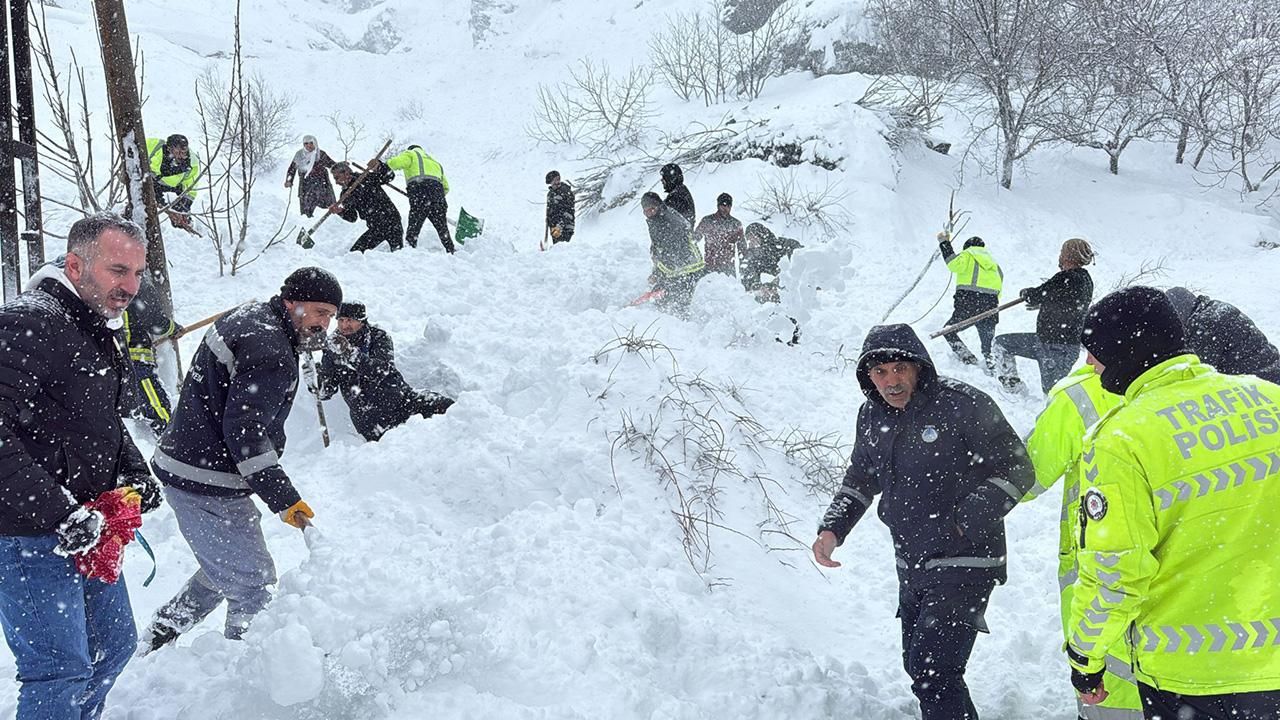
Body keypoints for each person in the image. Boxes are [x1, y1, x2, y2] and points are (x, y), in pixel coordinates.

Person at [1068, 286, 1280, 719]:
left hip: (1193, 672)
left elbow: (1115, 573)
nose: (1089, 363)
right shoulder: (1268, 398)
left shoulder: (1122, 440)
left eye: (1095, 350)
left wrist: (1084, 659)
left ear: (1126, 350)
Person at [813, 323, 1034, 720]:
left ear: (918, 367)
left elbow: (1017, 468)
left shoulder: (963, 405)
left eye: (900, 368)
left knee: (934, 672)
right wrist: (832, 529)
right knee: (921, 667)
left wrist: (964, 521)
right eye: (880, 372)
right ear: (868, 377)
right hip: (911, 560)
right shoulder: (871, 416)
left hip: (967, 559)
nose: (891, 381)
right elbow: (861, 478)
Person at [0, 214, 163, 720]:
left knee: (113, 646)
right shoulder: (30, 321)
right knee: (59, 670)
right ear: (75, 265)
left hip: (87, 526)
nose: (130, 287)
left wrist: (134, 471)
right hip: (27, 534)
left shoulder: (92, 326)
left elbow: (99, 420)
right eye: (118, 270)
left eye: (137, 273)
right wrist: (60, 511)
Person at [143, 267, 342, 651]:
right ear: (291, 303)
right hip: (205, 479)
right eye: (319, 312)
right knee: (252, 584)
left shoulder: (252, 317)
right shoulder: (272, 351)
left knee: (225, 567)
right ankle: (245, 671)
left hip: (193, 464)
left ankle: (161, 632)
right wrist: (284, 498)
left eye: (330, 316)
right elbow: (246, 434)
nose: (324, 324)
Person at [1021, 364, 1139, 719]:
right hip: (1197, 592)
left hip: (1100, 565)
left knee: (1112, 682)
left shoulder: (1079, 397)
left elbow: (1027, 478)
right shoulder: (1208, 390)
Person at [317, 302, 454, 441]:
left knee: (452, 410)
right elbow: (326, 391)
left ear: (362, 321)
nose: (344, 325)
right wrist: (318, 377)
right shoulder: (332, 348)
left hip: (404, 401)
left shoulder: (379, 337)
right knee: (398, 446)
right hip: (371, 419)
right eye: (341, 320)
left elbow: (381, 371)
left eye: (350, 320)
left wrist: (351, 354)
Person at [994, 238, 1095, 394]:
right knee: (1002, 344)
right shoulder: (1085, 280)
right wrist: (1046, 303)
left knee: (1052, 394)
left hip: (1054, 346)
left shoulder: (1066, 277)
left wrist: (1027, 293)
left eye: (1062, 252)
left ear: (1068, 256)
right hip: (1057, 343)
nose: (1059, 256)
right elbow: (1066, 301)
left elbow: (1036, 295)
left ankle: (1014, 389)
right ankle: (1013, 387)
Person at [1164, 287, 1280, 383]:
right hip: (1271, 371)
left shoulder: (1204, 325)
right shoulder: (1215, 310)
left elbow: (1198, 370)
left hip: (1259, 382)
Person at [122, 272, 180, 437]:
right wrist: (173, 328)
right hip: (136, 357)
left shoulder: (104, 279)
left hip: (112, 358)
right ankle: (169, 438)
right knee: (157, 404)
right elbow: (154, 321)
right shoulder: (138, 283)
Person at [938, 234, 1003, 369]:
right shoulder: (995, 264)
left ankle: (968, 358)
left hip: (969, 303)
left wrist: (944, 242)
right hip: (991, 306)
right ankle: (992, 366)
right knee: (988, 345)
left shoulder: (968, 254)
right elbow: (999, 289)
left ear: (967, 247)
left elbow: (953, 264)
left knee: (948, 330)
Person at [641, 192, 704, 315]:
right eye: (646, 211)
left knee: (678, 304)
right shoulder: (657, 219)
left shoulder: (670, 222)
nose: (649, 213)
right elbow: (658, 247)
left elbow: (670, 253)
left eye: (651, 209)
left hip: (689, 269)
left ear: (658, 205)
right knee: (665, 299)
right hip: (677, 268)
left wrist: (658, 274)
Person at [383, 145, 453, 253]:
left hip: (420, 191)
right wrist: (434, 197)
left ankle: (409, 249)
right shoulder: (435, 163)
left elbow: (395, 163)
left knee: (415, 223)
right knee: (442, 226)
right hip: (438, 194)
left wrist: (383, 165)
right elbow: (446, 188)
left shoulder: (411, 154)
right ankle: (450, 249)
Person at [330, 161, 403, 253]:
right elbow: (352, 217)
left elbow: (389, 176)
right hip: (376, 227)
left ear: (346, 173)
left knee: (398, 254)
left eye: (337, 178)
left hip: (392, 221)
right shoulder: (345, 194)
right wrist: (340, 211)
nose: (336, 182)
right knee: (355, 254)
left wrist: (379, 166)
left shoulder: (364, 178)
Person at [147, 134, 199, 229]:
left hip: (174, 186)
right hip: (151, 180)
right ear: (169, 149)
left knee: (180, 214)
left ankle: (184, 223)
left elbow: (190, 189)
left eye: (184, 152)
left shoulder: (192, 164)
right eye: (177, 152)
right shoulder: (155, 146)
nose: (181, 156)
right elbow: (134, 146)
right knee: (146, 201)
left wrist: (183, 208)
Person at [740, 222, 802, 302]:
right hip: (774, 296)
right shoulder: (753, 256)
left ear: (761, 235)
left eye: (753, 237)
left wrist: (778, 282)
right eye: (748, 239)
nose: (750, 242)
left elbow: (801, 261)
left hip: (795, 287)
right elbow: (747, 277)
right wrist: (757, 287)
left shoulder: (783, 245)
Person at [284, 135, 337, 218]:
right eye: (306, 143)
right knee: (307, 209)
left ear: (315, 143)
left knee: (328, 207)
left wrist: (341, 166)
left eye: (311, 143)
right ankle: (308, 221)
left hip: (322, 184)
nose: (308, 145)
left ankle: (331, 222)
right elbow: (292, 169)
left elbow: (332, 165)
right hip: (306, 185)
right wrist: (289, 180)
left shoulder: (320, 154)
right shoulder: (299, 155)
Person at [694, 192, 744, 276]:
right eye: (723, 205)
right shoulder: (707, 221)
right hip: (710, 267)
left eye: (728, 206)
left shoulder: (736, 224)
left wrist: (744, 267)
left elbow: (742, 247)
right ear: (718, 206)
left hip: (728, 269)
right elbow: (695, 238)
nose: (725, 208)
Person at [545, 170, 576, 244]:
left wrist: (560, 225)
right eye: (555, 180)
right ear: (551, 182)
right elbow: (549, 210)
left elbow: (569, 210)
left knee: (562, 246)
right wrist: (549, 222)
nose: (557, 181)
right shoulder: (550, 194)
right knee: (557, 247)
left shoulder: (565, 191)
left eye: (558, 179)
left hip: (565, 226)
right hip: (554, 227)